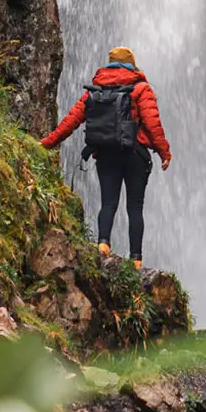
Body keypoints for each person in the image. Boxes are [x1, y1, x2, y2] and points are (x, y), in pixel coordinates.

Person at [41, 47, 172, 269]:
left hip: (105, 154)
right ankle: (136, 259)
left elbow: (71, 121)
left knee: (108, 202)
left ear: (109, 64)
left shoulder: (95, 91)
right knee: (135, 206)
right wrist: (164, 152)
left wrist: (46, 143)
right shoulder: (140, 88)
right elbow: (152, 124)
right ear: (132, 64)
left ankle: (103, 244)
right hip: (135, 154)